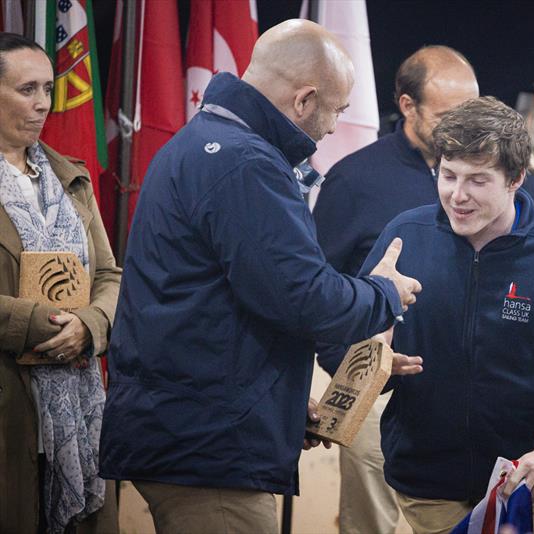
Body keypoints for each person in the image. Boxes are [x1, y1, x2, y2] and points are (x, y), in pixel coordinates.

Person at [98, 20, 421, 534]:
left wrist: (284, 406)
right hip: (208, 452)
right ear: (304, 100)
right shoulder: (247, 164)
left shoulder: (199, 143)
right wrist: (385, 293)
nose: (336, 127)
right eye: (336, 110)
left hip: (189, 432)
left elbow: (217, 308)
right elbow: (305, 297)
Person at [345, 96, 534, 534]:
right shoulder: (404, 236)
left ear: (516, 179)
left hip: (518, 485)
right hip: (424, 482)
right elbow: (356, 343)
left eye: (477, 180)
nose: (457, 195)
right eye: (448, 175)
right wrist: (375, 353)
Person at [313, 45, 534, 534]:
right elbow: (319, 292)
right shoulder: (356, 179)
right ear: (406, 105)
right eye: (446, 115)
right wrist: (359, 372)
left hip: (484, 409)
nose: (460, 126)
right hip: (379, 396)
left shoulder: (530, 191)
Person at [0, 33, 121, 533]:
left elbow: (110, 275)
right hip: (11, 411)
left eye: (49, 88)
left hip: (80, 408)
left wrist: (89, 325)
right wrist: (45, 324)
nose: (44, 104)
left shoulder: (71, 177)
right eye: (28, 89)